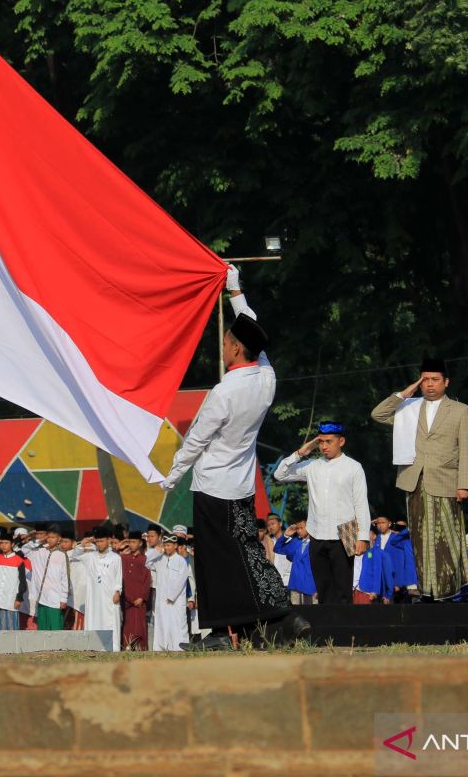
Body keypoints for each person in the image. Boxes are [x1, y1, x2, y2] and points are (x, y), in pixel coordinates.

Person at [160, 266, 301, 650]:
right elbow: (253, 326)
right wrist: (234, 289)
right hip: (240, 486)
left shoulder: (224, 392)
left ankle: (224, 633)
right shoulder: (266, 378)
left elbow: (195, 440)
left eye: (225, 343)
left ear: (237, 349)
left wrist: (171, 476)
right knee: (246, 553)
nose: (223, 349)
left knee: (216, 563)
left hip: (212, 487)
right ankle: (272, 622)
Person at [371, 358, 468, 601]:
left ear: (446, 382)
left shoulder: (460, 410)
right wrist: (406, 392)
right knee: (419, 538)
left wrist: (464, 485)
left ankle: (450, 590)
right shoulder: (409, 408)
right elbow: (378, 414)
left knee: (445, 538)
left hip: (446, 480)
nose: (429, 384)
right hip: (415, 480)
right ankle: (427, 590)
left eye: (435, 380)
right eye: (425, 379)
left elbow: (467, 449)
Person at [272, 422, 372, 604]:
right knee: (322, 587)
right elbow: (279, 475)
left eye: (329, 441)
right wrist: (300, 454)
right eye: (321, 442)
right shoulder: (312, 465)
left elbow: (361, 503)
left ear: (341, 441)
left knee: (343, 588)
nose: (324, 446)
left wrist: (363, 536)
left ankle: (345, 630)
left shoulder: (354, 467)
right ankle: (328, 631)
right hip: (316, 531)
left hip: (347, 530)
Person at [69, 526, 123, 643]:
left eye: (102, 541)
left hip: (109, 597)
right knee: (94, 621)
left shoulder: (115, 558)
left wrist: (118, 591)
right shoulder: (90, 557)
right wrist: (82, 544)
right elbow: (74, 556)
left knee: (110, 622)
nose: (99, 544)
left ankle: (112, 649)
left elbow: (118, 577)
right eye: (97, 541)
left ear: (108, 541)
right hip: (94, 599)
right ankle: (94, 647)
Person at [146, 534, 189, 651]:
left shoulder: (181, 561)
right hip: (161, 600)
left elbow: (181, 581)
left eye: (169, 545)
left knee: (178, 625)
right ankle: (161, 647)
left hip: (176, 601)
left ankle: (180, 648)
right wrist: (156, 551)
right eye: (165, 545)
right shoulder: (159, 559)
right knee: (162, 624)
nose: (167, 548)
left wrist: (172, 596)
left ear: (175, 546)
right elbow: (147, 563)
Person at [26, 525, 70, 630]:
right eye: (48, 537)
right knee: (42, 627)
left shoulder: (62, 555)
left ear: (59, 539)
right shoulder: (39, 551)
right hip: (41, 597)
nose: (50, 539)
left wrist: (63, 598)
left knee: (55, 626)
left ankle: (58, 647)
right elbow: (25, 549)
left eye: (53, 537)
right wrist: (38, 541)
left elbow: (65, 577)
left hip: (55, 597)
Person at [0, 532, 28, 630]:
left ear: (12, 544)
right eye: (1, 543)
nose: (3, 545)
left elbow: (22, 581)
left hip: (10, 600)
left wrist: (19, 598)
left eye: (6, 543)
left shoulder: (19, 560)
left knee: (11, 628)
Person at [273, 518, 317, 605]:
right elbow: (277, 548)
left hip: (311, 586)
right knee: (296, 613)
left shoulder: (316, 543)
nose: (299, 530)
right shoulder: (296, 542)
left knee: (312, 613)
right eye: (297, 528)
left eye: (301, 528)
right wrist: (286, 535)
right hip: (295, 585)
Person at [120, 534, 151, 651]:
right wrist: (119, 548)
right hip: (127, 599)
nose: (131, 544)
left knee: (140, 626)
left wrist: (142, 597)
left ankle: (141, 649)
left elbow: (147, 580)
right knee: (128, 625)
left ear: (140, 543)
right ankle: (127, 648)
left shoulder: (145, 559)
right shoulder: (124, 558)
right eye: (130, 542)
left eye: (134, 542)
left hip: (139, 600)